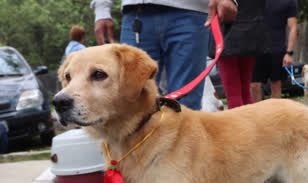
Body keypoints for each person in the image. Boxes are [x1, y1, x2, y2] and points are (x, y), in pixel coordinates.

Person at [90, 0, 238, 110]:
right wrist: (101, 8)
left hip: (192, 10)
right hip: (136, 12)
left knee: (186, 106)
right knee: (129, 101)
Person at [215, 0, 266, 109]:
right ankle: (250, 124)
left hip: (227, 35)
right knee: (245, 92)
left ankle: (238, 125)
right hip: (250, 35)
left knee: (233, 94)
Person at [250, 0, 298, 101]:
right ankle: (257, 114)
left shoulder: (290, 2)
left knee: (276, 84)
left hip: (277, 49)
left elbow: (293, 27)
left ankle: (276, 114)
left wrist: (289, 53)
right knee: (254, 85)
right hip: (256, 48)